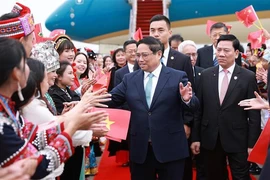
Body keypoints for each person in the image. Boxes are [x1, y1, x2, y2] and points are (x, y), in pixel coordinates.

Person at [0, 37, 109, 179]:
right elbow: (37, 166)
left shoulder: (8, 108)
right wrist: (72, 127)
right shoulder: (3, 121)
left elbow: (35, 136)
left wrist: (74, 120)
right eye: (25, 63)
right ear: (15, 73)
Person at [108, 36, 199, 180]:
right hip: (141, 149)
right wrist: (85, 101)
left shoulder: (177, 77)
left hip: (171, 149)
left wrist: (186, 99)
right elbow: (111, 99)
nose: (140, 59)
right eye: (138, 55)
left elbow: (194, 105)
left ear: (158, 54)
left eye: (145, 55)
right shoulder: (130, 79)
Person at [191, 34, 261, 180]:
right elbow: (199, 110)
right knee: (214, 175)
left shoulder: (247, 77)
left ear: (236, 53)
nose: (221, 54)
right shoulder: (206, 75)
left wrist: (252, 144)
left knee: (241, 176)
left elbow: (254, 114)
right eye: (219, 49)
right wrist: (196, 138)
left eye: (226, 50)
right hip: (210, 138)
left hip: (238, 139)